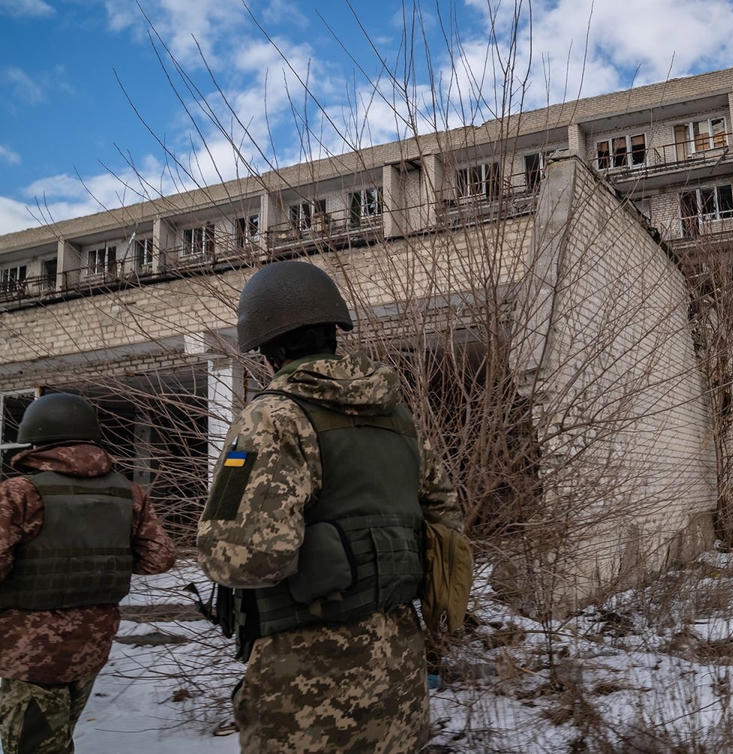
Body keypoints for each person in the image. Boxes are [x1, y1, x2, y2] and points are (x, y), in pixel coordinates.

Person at [197, 260, 464, 754]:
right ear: (334, 332)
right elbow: (446, 523)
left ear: (266, 349)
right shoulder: (398, 419)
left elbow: (242, 556)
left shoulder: (273, 417)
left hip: (308, 685)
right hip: (400, 674)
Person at [0, 392, 177, 753]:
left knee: (31, 746)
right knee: (58, 739)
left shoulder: (19, 492)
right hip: (92, 644)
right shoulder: (130, 493)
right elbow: (159, 558)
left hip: (29, 651)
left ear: (36, 438)